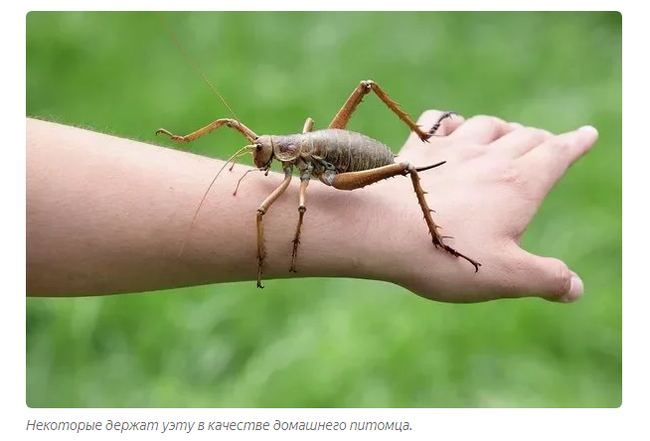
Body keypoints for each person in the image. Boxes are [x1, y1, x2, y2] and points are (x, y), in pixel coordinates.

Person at [26, 112, 598, 303]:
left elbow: (293, 207)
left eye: (264, 153)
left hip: (344, 165)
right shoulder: (277, 151)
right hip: (319, 155)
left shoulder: (298, 172)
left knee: (278, 209)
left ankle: (435, 223)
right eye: (261, 153)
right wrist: (185, 145)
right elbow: (237, 128)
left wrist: (289, 243)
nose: (259, 158)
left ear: (282, 154)